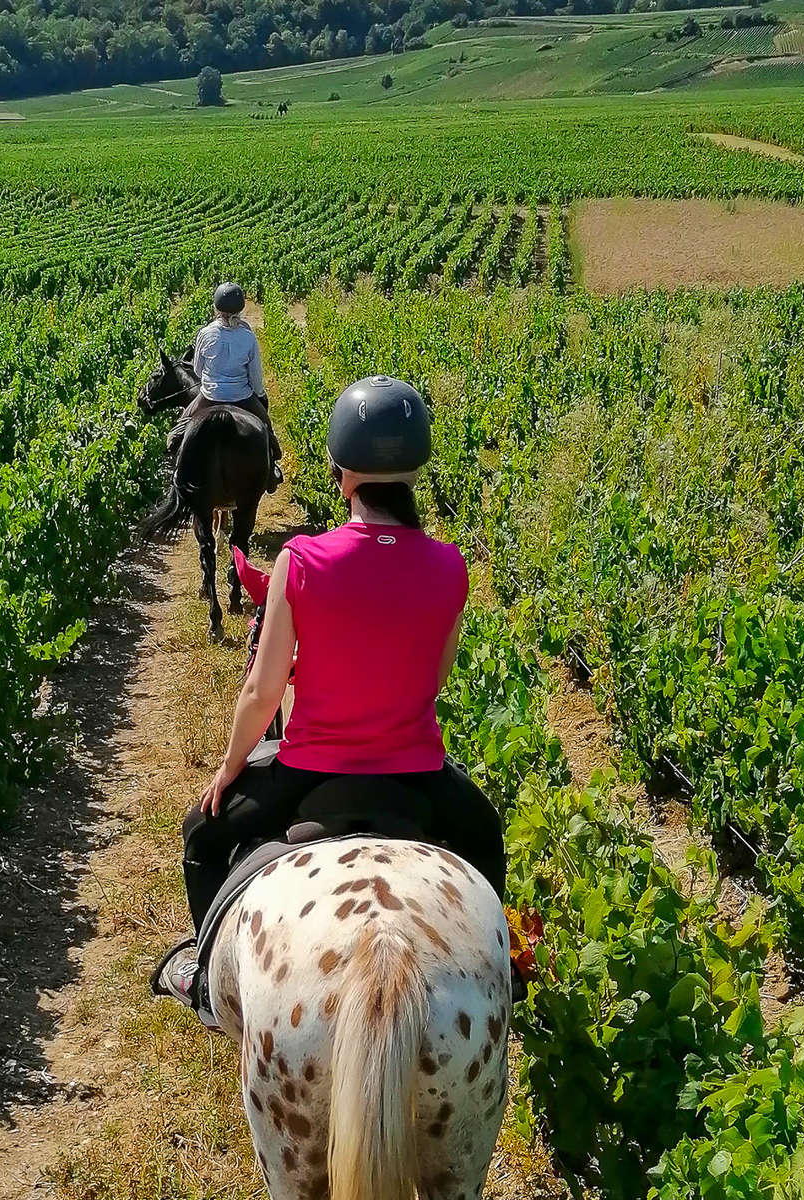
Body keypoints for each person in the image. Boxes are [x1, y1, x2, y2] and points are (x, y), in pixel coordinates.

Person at [159, 375, 504, 1012]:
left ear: (343, 471)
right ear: (415, 467)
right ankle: (506, 973)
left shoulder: (303, 560)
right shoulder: (451, 565)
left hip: (308, 768)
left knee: (201, 836)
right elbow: (433, 681)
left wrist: (230, 768)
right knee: (486, 834)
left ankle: (204, 977)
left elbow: (264, 691)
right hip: (417, 770)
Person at [166, 281, 283, 489]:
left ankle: (176, 470)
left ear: (216, 308)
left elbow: (199, 371)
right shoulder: (248, 337)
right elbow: (255, 377)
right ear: (240, 309)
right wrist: (259, 393)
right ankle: (272, 466)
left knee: (177, 432)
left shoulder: (205, 334)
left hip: (209, 396)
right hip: (242, 397)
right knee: (266, 428)